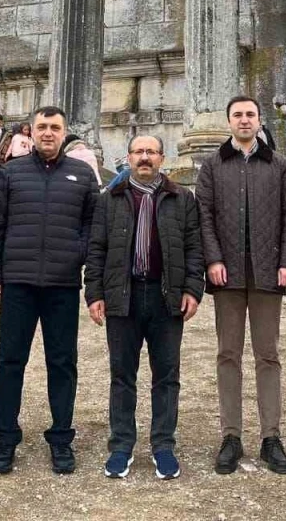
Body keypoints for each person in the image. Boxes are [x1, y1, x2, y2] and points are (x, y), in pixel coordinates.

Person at [0, 106, 100, 475]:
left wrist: (76, 254)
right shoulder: (10, 172)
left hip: (62, 283)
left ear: (65, 133)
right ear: (30, 133)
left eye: (55, 127)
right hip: (18, 281)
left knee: (62, 363)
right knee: (9, 361)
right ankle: (4, 438)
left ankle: (61, 438)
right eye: (42, 127)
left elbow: (93, 228)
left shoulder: (82, 174)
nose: (48, 133)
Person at [85, 134, 205, 481]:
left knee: (166, 377)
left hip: (166, 296)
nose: (145, 157)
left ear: (162, 158)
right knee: (122, 376)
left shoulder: (183, 198)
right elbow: (96, 249)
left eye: (151, 152)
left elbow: (194, 248)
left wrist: (193, 290)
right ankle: (121, 445)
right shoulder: (110, 200)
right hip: (124, 295)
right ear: (128, 157)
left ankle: (163, 445)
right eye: (139, 152)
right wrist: (94, 293)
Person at [196, 96, 286, 476]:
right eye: (238, 115)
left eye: (250, 115)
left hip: (266, 272)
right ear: (229, 121)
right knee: (228, 354)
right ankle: (231, 435)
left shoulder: (277, 166)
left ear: (260, 121)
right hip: (226, 274)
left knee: (268, 355)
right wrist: (213, 259)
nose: (244, 120)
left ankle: (271, 436)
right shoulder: (212, 166)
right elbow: (203, 216)